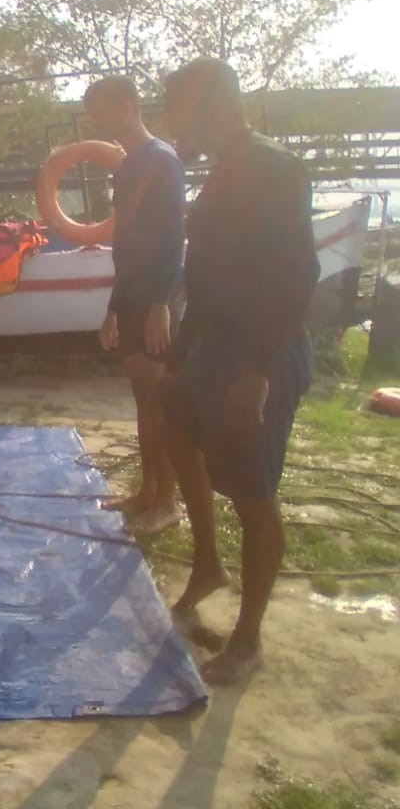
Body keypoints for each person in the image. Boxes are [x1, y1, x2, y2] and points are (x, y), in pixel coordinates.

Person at [158, 57, 319, 685]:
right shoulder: (221, 173)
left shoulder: (274, 168)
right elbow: (204, 279)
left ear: (207, 105)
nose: (172, 125)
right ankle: (207, 564)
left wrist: (258, 370)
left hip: (260, 355)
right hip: (211, 348)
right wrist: (178, 360)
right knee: (175, 426)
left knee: (253, 495)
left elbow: (296, 275)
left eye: (175, 110)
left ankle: (247, 641)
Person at [83, 75, 187, 535]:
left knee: (160, 401)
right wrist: (112, 306)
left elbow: (172, 238)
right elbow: (125, 242)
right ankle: (148, 490)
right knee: (143, 401)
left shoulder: (162, 160)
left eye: (101, 109)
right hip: (131, 294)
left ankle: (168, 502)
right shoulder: (127, 166)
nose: (96, 120)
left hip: (155, 298)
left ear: (127, 107)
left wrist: (161, 303)